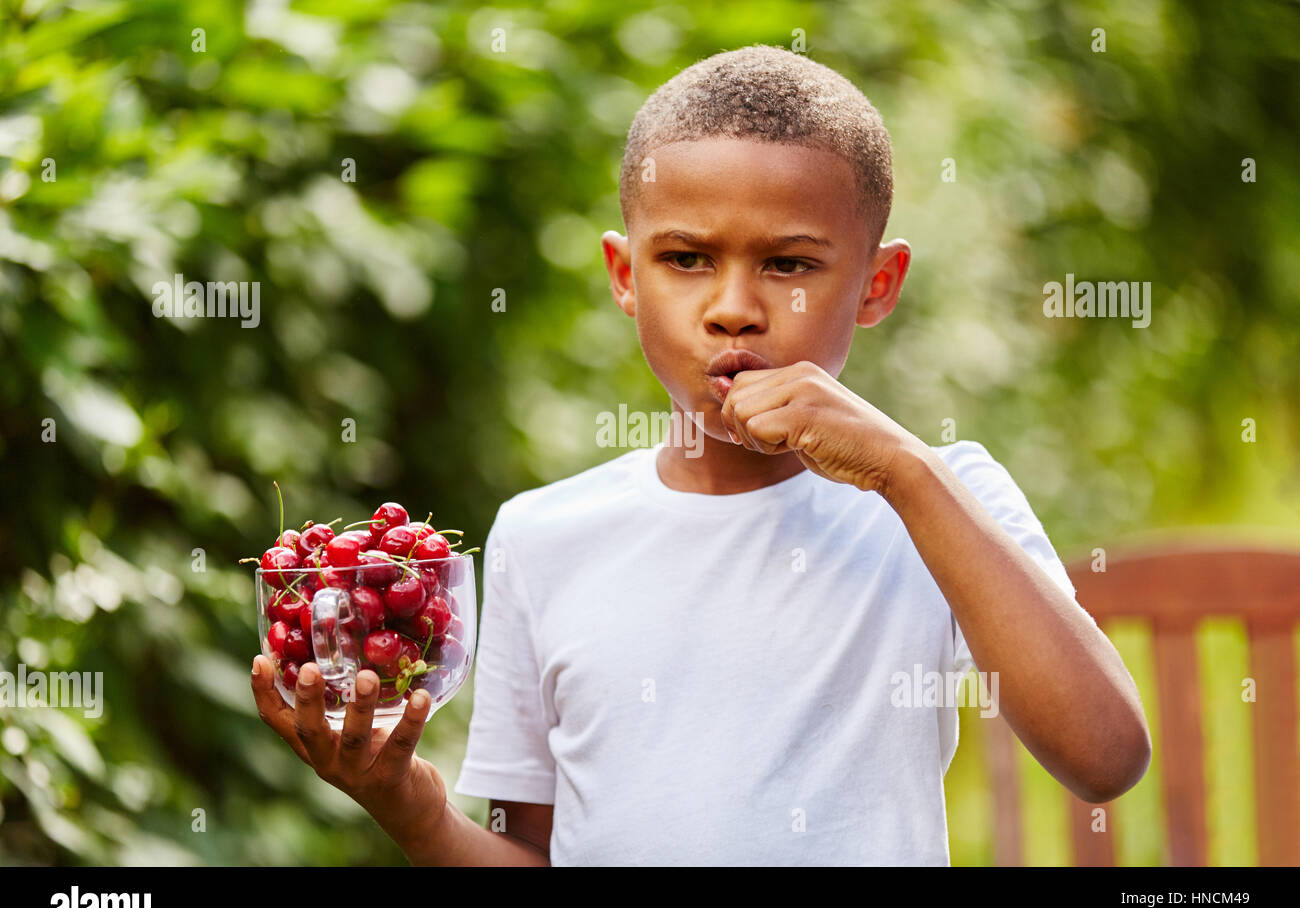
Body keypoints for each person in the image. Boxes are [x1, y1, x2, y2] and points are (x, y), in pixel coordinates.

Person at [251, 44, 1151, 865]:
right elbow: (531, 850)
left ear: (878, 285)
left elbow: (1105, 757)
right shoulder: (542, 536)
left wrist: (904, 473)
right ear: (624, 276)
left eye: (790, 266)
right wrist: (408, 809)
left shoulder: (939, 495)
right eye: (685, 258)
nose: (733, 308)